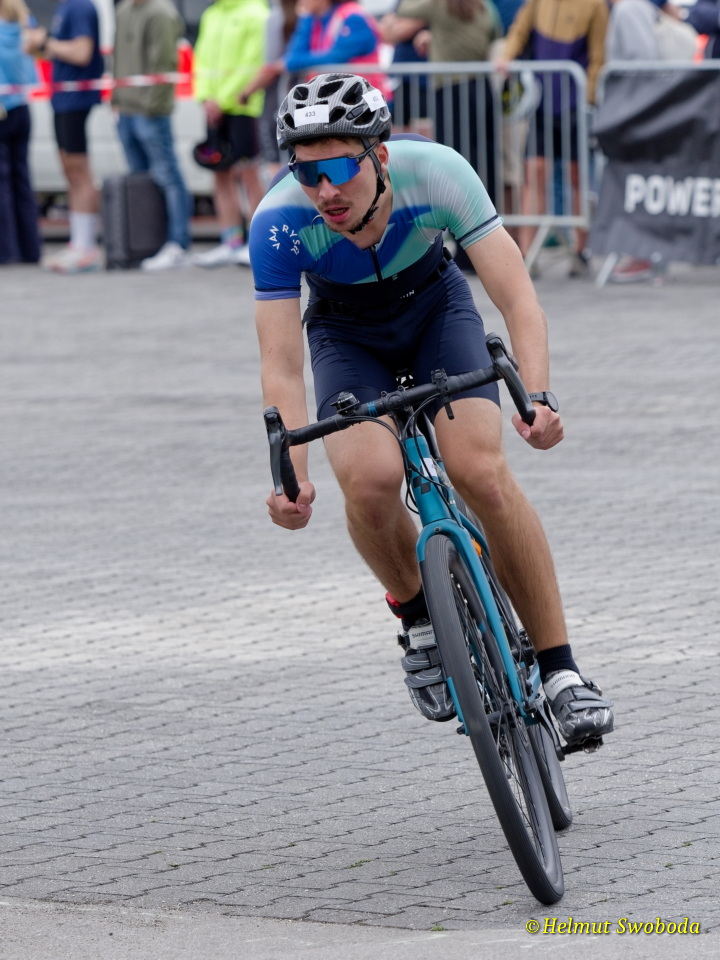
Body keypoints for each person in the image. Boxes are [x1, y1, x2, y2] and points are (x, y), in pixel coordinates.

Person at [249, 73, 614, 749]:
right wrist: (291, 476)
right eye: (307, 174)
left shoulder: (438, 172)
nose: (325, 191)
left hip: (435, 312)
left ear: (380, 156)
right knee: (369, 480)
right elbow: (281, 366)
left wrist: (537, 397)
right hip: (345, 334)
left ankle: (562, 673)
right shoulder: (278, 222)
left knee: (480, 471)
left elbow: (518, 299)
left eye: (339, 169)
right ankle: (418, 615)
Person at [495, 0, 609, 278]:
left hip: (575, 104)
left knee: (577, 176)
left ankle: (581, 251)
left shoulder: (595, 5)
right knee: (534, 172)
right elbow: (519, 29)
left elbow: (599, 55)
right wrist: (507, 56)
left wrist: (589, 97)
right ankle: (525, 253)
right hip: (542, 103)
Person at [25, 0, 104, 273]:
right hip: (63, 98)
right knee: (70, 171)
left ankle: (87, 247)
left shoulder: (80, 6)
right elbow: (59, 51)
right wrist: (40, 46)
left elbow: (82, 52)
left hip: (76, 99)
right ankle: (78, 242)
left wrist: (45, 41)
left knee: (79, 170)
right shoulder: (66, 6)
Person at [112, 0, 192, 271]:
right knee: (141, 180)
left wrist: (150, 106)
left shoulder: (161, 13)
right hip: (126, 109)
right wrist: (117, 100)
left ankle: (177, 243)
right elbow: (118, 59)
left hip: (150, 112)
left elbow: (165, 63)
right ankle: (147, 241)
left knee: (167, 175)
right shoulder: (124, 10)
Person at [394, 0, 502, 199]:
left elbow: (404, 8)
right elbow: (494, 34)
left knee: (453, 158)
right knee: (485, 158)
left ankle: (457, 210)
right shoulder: (485, 7)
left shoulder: (439, 5)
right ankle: (488, 210)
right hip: (481, 88)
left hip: (450, 91)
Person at [192, 0, 269, 268]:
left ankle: (258, 243)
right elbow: (201, 61)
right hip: (214, 107)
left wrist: (222, 100)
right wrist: (205, 98)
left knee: (249, 174)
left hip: (244, 107)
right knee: (220, 173)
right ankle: (231, 242)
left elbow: (253, 62)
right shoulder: (211, 14)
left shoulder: (256, 12)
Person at [238, 0, 390, 106]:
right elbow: (294, 55)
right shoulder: (313, 18)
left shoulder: (353, 16)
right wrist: (306, 18)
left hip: (363, 99)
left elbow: (335, 57)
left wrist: (290, 63)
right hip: (334, 98)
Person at [0, 0, 41, 265]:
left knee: (2, 183)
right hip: (22, 107)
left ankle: (6, 250)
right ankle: (30, 249)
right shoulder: (25, 21)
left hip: (2, 107)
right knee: (22, 179)